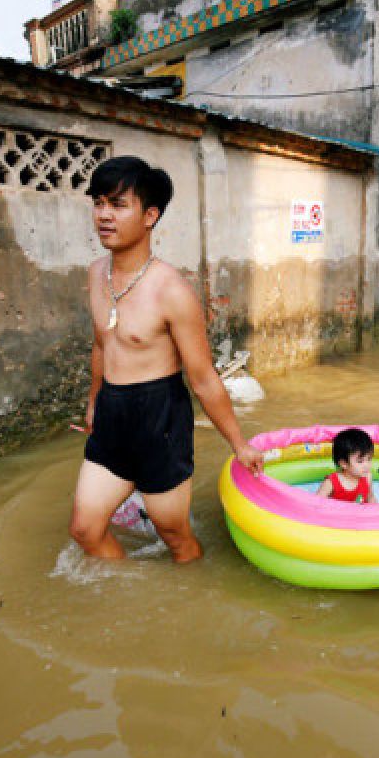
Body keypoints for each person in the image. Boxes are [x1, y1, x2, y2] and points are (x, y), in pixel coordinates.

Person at [70, 155, 264, 563]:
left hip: (159, 418)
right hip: (111, 414)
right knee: (85, 530)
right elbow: (101, 345)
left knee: (174, 535)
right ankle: (128, 599)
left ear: (149, 216)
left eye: (118, 205)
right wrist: (93, 403)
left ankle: (189, 603)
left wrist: (239, 444)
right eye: (98, 202)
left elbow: (204, 379)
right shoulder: (94, 274)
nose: (104, 215)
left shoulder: (172, 291)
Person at [317, 428, 377, 504]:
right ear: (344, 464)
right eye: (360, 461)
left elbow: (370, 497)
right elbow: (317, 503)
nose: (367, 465)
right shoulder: (331, 482)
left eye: (369, 459)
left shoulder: (368, 477)